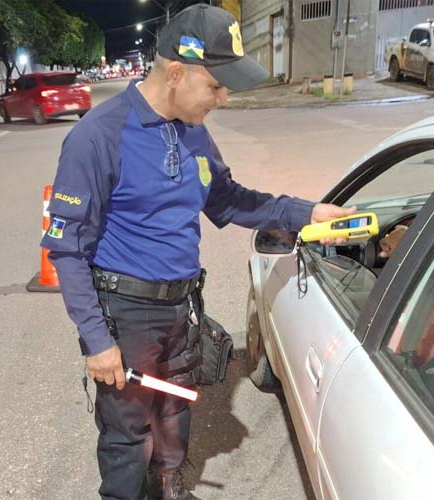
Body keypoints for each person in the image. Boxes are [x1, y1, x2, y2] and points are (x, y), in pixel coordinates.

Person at [40, 5, 355, 500]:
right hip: (126, 313)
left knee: (175, 410)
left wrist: (305, 213)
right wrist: (97, 341)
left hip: (181, 308)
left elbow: (229, 200)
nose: (223, 98)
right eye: (215, 85)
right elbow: (67, 250)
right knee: (128, 434)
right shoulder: (98, 137)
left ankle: (170, 487)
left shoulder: (193, 131)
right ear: (176, 73)